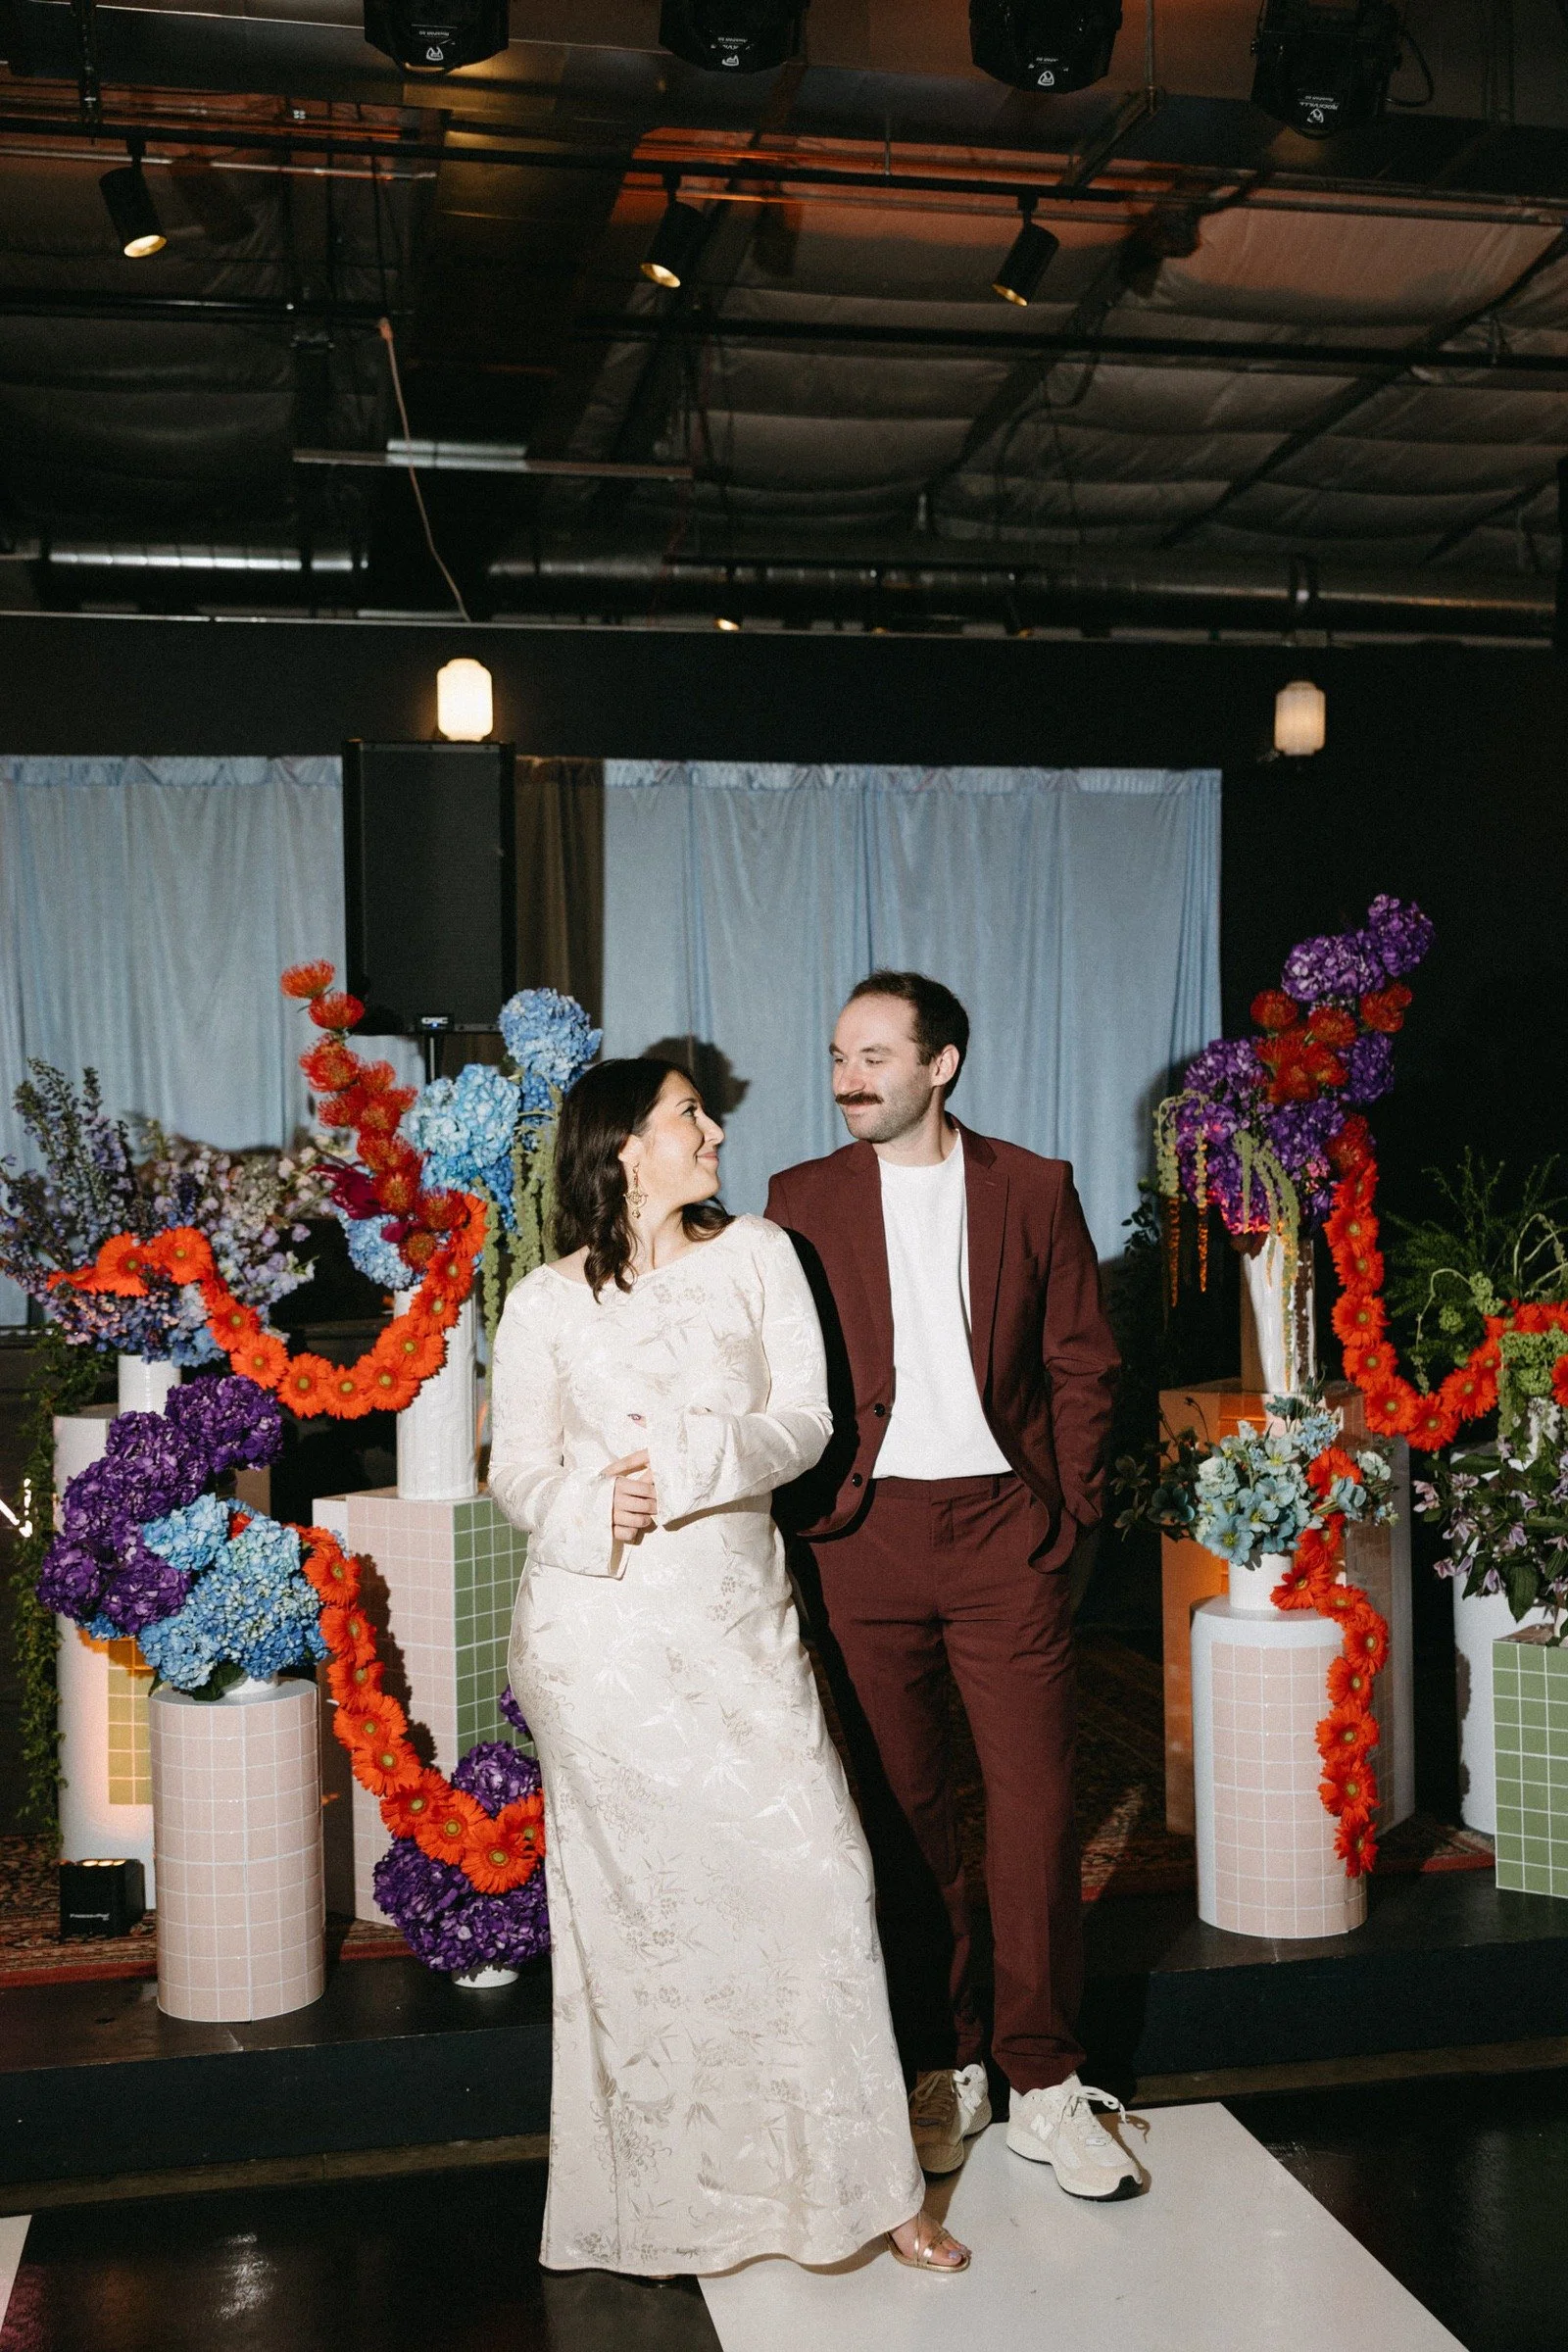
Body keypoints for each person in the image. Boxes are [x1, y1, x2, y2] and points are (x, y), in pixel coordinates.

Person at [489, 1056, 968, 2279]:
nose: (713, 1129)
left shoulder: (760, 1253)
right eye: (686, 1116)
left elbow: (807, 1422)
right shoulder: (545, 1301)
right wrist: (599, 1504)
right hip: (599, 1642)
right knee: (650, 1923)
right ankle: (671, 2204)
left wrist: (696, 1459)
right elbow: (516, 1469)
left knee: (818, 1875)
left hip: (734, 1627)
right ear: (622, 1149)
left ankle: (868, 2192)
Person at [765, 973, 1142, 2199]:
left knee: (1034, 1806)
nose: (847, 1078)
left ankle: (1040, 2078)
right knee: (904, 1814)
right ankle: (948, 2061)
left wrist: (1067, 1508)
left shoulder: (1032, 1187)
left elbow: (1082, 1360)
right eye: (836, 1056)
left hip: (1001, 1532)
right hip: (860, 1537)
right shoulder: (797, 1201)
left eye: (874, 1055)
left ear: (944, 1065)